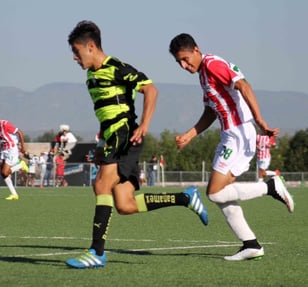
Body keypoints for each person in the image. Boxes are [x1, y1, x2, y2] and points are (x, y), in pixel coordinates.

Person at [65, 21, 209, 269]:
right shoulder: (91, 77)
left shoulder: (117, 68)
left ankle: (96, 252)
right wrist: (101, 144)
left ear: (90, 47)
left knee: (101, 183)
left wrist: (144, 125)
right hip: (112, 137)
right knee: (125, 204)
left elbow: (151, 90)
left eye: (77, 52)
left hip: (125, 134)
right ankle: (185, 198)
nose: (74, 58)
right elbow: (105, 114)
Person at [169, 33, 295, 261]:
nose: (183, 65)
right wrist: (190, 135)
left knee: (214, 193)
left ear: (196, 49)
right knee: (222, 196)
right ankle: (251, 244)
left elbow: (244, 86)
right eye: (179, 62)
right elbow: (211, 111)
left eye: (186, 59)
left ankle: (270, 187)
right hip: (230, 133)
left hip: (237, 133)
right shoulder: (203, 74)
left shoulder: (212, 64)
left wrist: (259, 119)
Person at [0, 108, 29, 200]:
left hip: (11, 148)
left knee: (5, 172)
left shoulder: (5, 124)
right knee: (3, 173)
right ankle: (14, 194)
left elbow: (19, 132)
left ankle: (21, 165)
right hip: (3, 149)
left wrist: (22, 147)